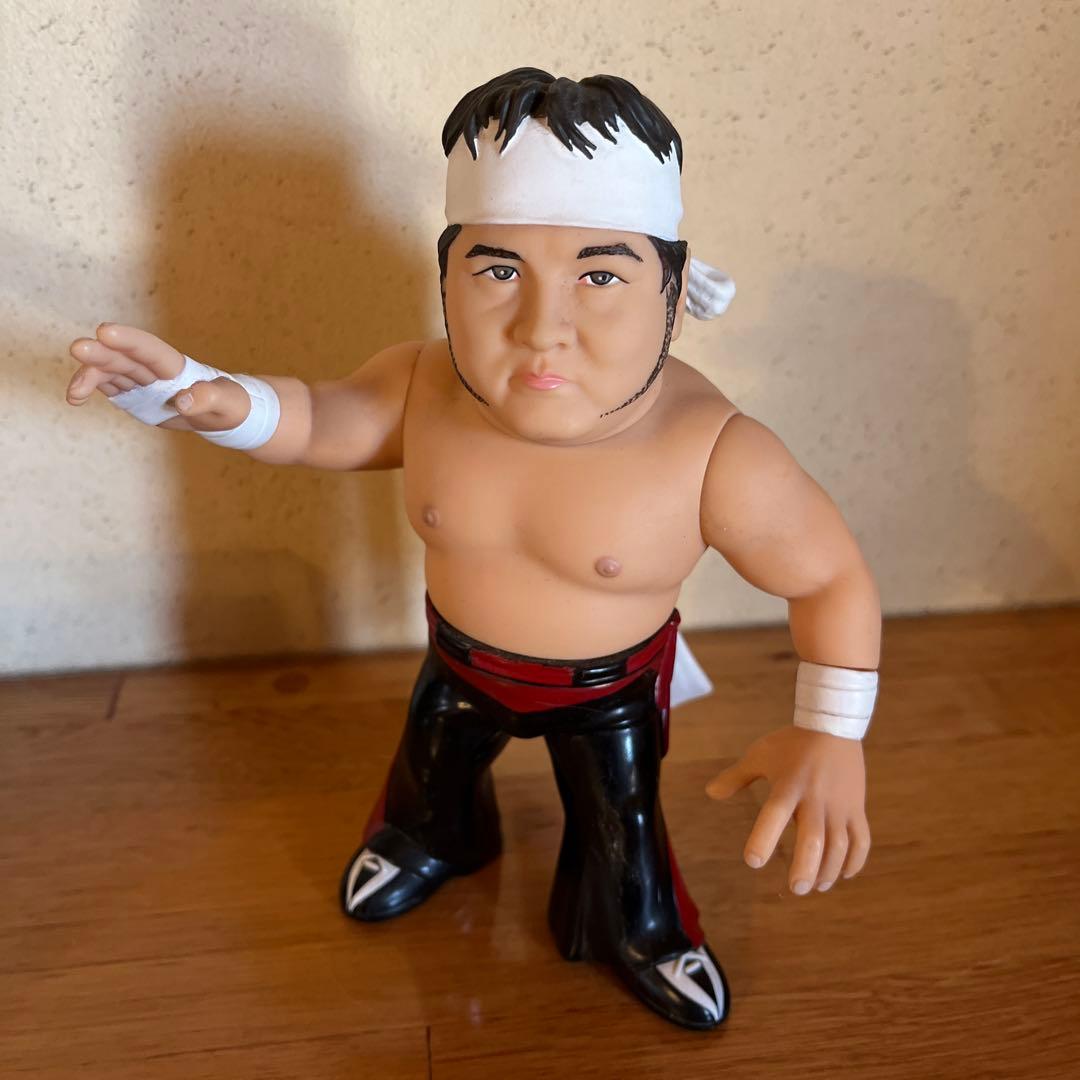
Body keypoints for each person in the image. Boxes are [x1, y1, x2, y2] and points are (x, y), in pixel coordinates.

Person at [64, 68, 881, 1032]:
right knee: (429, 781)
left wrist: (832, 731)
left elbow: (829, 577)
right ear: (446, 273)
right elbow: (323, 417)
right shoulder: (423, 385)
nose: (543, 329)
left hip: (606, 691)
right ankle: (430, 838)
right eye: (498, 272)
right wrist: (210, 398)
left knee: (622, 830)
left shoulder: (714, 452)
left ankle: (639, 927)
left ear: (671, 287)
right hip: (456, 665)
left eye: (601, 276)